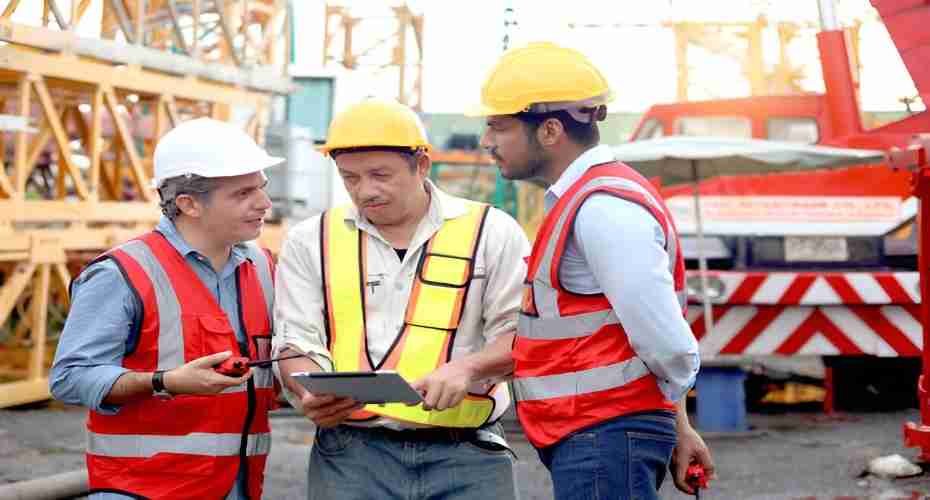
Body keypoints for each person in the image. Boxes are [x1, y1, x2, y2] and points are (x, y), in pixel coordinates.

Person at [470, 42, 716, 499]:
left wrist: (664, 418)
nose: (487, 142)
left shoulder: (602, 208)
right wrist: (677, 424)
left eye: (498, 127)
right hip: (599, 432)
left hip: (605, 432)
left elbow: (665, 341)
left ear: (548, 131)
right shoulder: (584, 199)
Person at [273, 98, 529, 500]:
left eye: (380, 175)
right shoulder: (311, 241)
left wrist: (468, 368)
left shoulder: (492, 233)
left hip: (469, 453)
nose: (365, 191)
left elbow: (522, 336)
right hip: (350, 455)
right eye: (350, 178)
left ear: (421, 165)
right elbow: (294, 338)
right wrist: (307, 390)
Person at [50, 118, 283, 499]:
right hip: (141, 490)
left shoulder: (261, 268)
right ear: (188, 204)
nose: (264, 203)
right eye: (242, 194)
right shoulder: (122, 274)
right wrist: (165, 382)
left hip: (237, 487)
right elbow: (70, 378)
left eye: (261, 187)